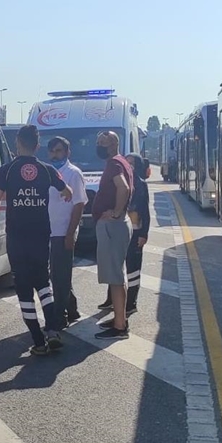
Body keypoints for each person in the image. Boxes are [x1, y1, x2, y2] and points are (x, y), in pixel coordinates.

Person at [0, 125, 73, 355]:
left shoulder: (7, 170)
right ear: (37, 146)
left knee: (23, 288)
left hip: (17, 237)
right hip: (41, 235)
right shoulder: (47, 170)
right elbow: (67, 191)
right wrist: (63, 196)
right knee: (43, 283)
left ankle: (38, 342)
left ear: (18, 144)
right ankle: (52, 330)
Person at [91, 131, 134, 340]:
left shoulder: (114, 165)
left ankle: (119, 326)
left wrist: (116, 212)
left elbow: (123, 189)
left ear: (113, 144)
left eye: (102, 142)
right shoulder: (123, 162)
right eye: (98, 142)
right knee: (119, 274)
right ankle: (120, 318)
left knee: (116, 277)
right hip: (119, 226)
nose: (99, 146)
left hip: (113, 226)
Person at [98, 152, 151, 320]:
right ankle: (111, 300)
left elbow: (145, 212)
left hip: (135, 231)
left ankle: (131, 303)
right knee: (115, 266)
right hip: (119, 228)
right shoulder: (119, 180)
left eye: (132, 163)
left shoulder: (141, 184)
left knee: (133, 270)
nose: (128, 166)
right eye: (126, 163)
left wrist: (144, 234)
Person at [45, 137, 88, 328]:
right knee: (58, 274)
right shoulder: (48, 172)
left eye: (59, 150)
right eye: (53, 151)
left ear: (67, 152)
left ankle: (59, 317)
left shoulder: (73, 173)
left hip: (64, 231)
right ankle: (71, 308)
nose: (55, 154)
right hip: (49, 231)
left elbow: (79, 205)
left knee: (60, 276)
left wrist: (70, 233)